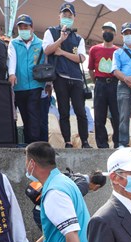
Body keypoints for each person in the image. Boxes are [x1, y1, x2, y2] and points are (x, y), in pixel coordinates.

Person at [43, 3, 90, 148]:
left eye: (70, 16)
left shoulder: (78, 38)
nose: (67, 18)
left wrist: (63, 52)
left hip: (76, 78)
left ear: (74, 17)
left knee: (81, 112)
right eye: (64, 15)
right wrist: (61, 40)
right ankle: (68, 142)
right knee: (63, 111)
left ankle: (85, 141)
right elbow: (47, 50)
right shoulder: (51, 32)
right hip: (59, 77)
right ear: (59, 16)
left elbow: (81, 58)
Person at [8, 14, 46, 144]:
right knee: (25, 116)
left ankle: (34, 142)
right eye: (21, 27)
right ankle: (29, 142)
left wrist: (49, 83)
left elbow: (47, 63)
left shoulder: (41, 43)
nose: (23, 29)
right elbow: (12, 59)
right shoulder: (13, 43)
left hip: (36, 85)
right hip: (19, 86)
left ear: (32, 28)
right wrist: (11, 74)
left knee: (34, 114)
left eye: (26, 27)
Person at [89, 22, 120, 148]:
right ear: (102, 32)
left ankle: (118, 142)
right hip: (100, 83)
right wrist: (97, 82)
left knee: (117, 115)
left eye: (110, 30)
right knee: (99, 115)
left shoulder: (119, 51)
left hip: (115, 84)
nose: (107, 32)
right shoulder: (94, 49)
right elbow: (91, 69)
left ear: (115, 34)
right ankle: (102, 144)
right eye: (105, 30)